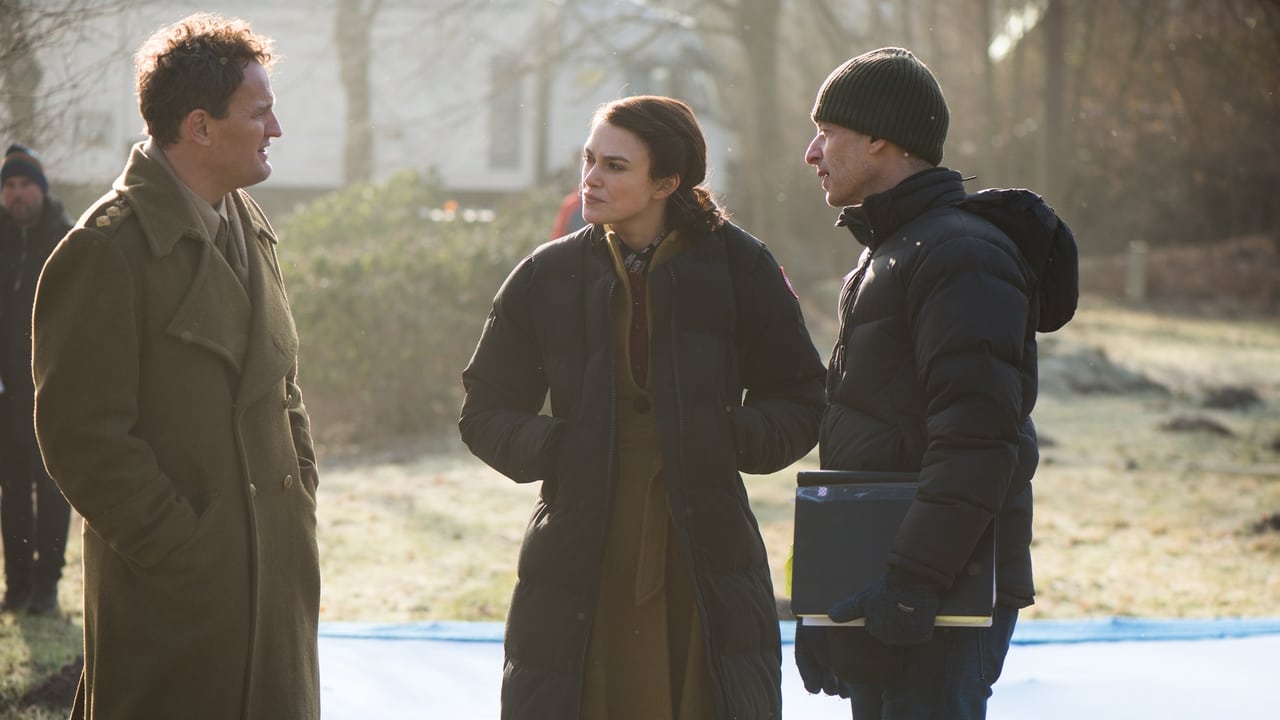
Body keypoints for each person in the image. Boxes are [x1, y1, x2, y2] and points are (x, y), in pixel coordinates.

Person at [460, 95, 826, 719]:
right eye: (588, 160)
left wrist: (723, 437)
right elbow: (485, 410)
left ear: (666, 182)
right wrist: (561, 447)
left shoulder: (742, 266)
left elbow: (800, 396)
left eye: (615, 166)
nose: (590, 179)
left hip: (704, 536)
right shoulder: (547, 274)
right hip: (579, 538)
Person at [31, 13, 320, 718]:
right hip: (175, 601)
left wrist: (299, 499)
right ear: (200, 127)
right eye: (259, 112)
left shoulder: (250, 223)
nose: (276, 129)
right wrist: (183, 550)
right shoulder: (104, 250)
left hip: (273, 588)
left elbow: (282, 387)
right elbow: (83, 439)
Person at [794, 48, 1078, 718]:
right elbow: (877, 438)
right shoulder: (890, 252)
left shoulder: (961, 255)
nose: (812, 153)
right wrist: (825, 599)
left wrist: (913, 582)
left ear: (879, 138)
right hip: (885, 579)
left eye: (827, 132)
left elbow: (979, 440)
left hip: (941, 592)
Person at [0, 143, 72, 615]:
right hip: (6, 394)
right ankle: (17, 587)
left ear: (42, 189)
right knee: (11, 488)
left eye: (26, 184)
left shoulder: (68, 239)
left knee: (52, 488)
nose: (17, 193)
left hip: (55, 392)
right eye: (9, 185)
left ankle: (46, 587)